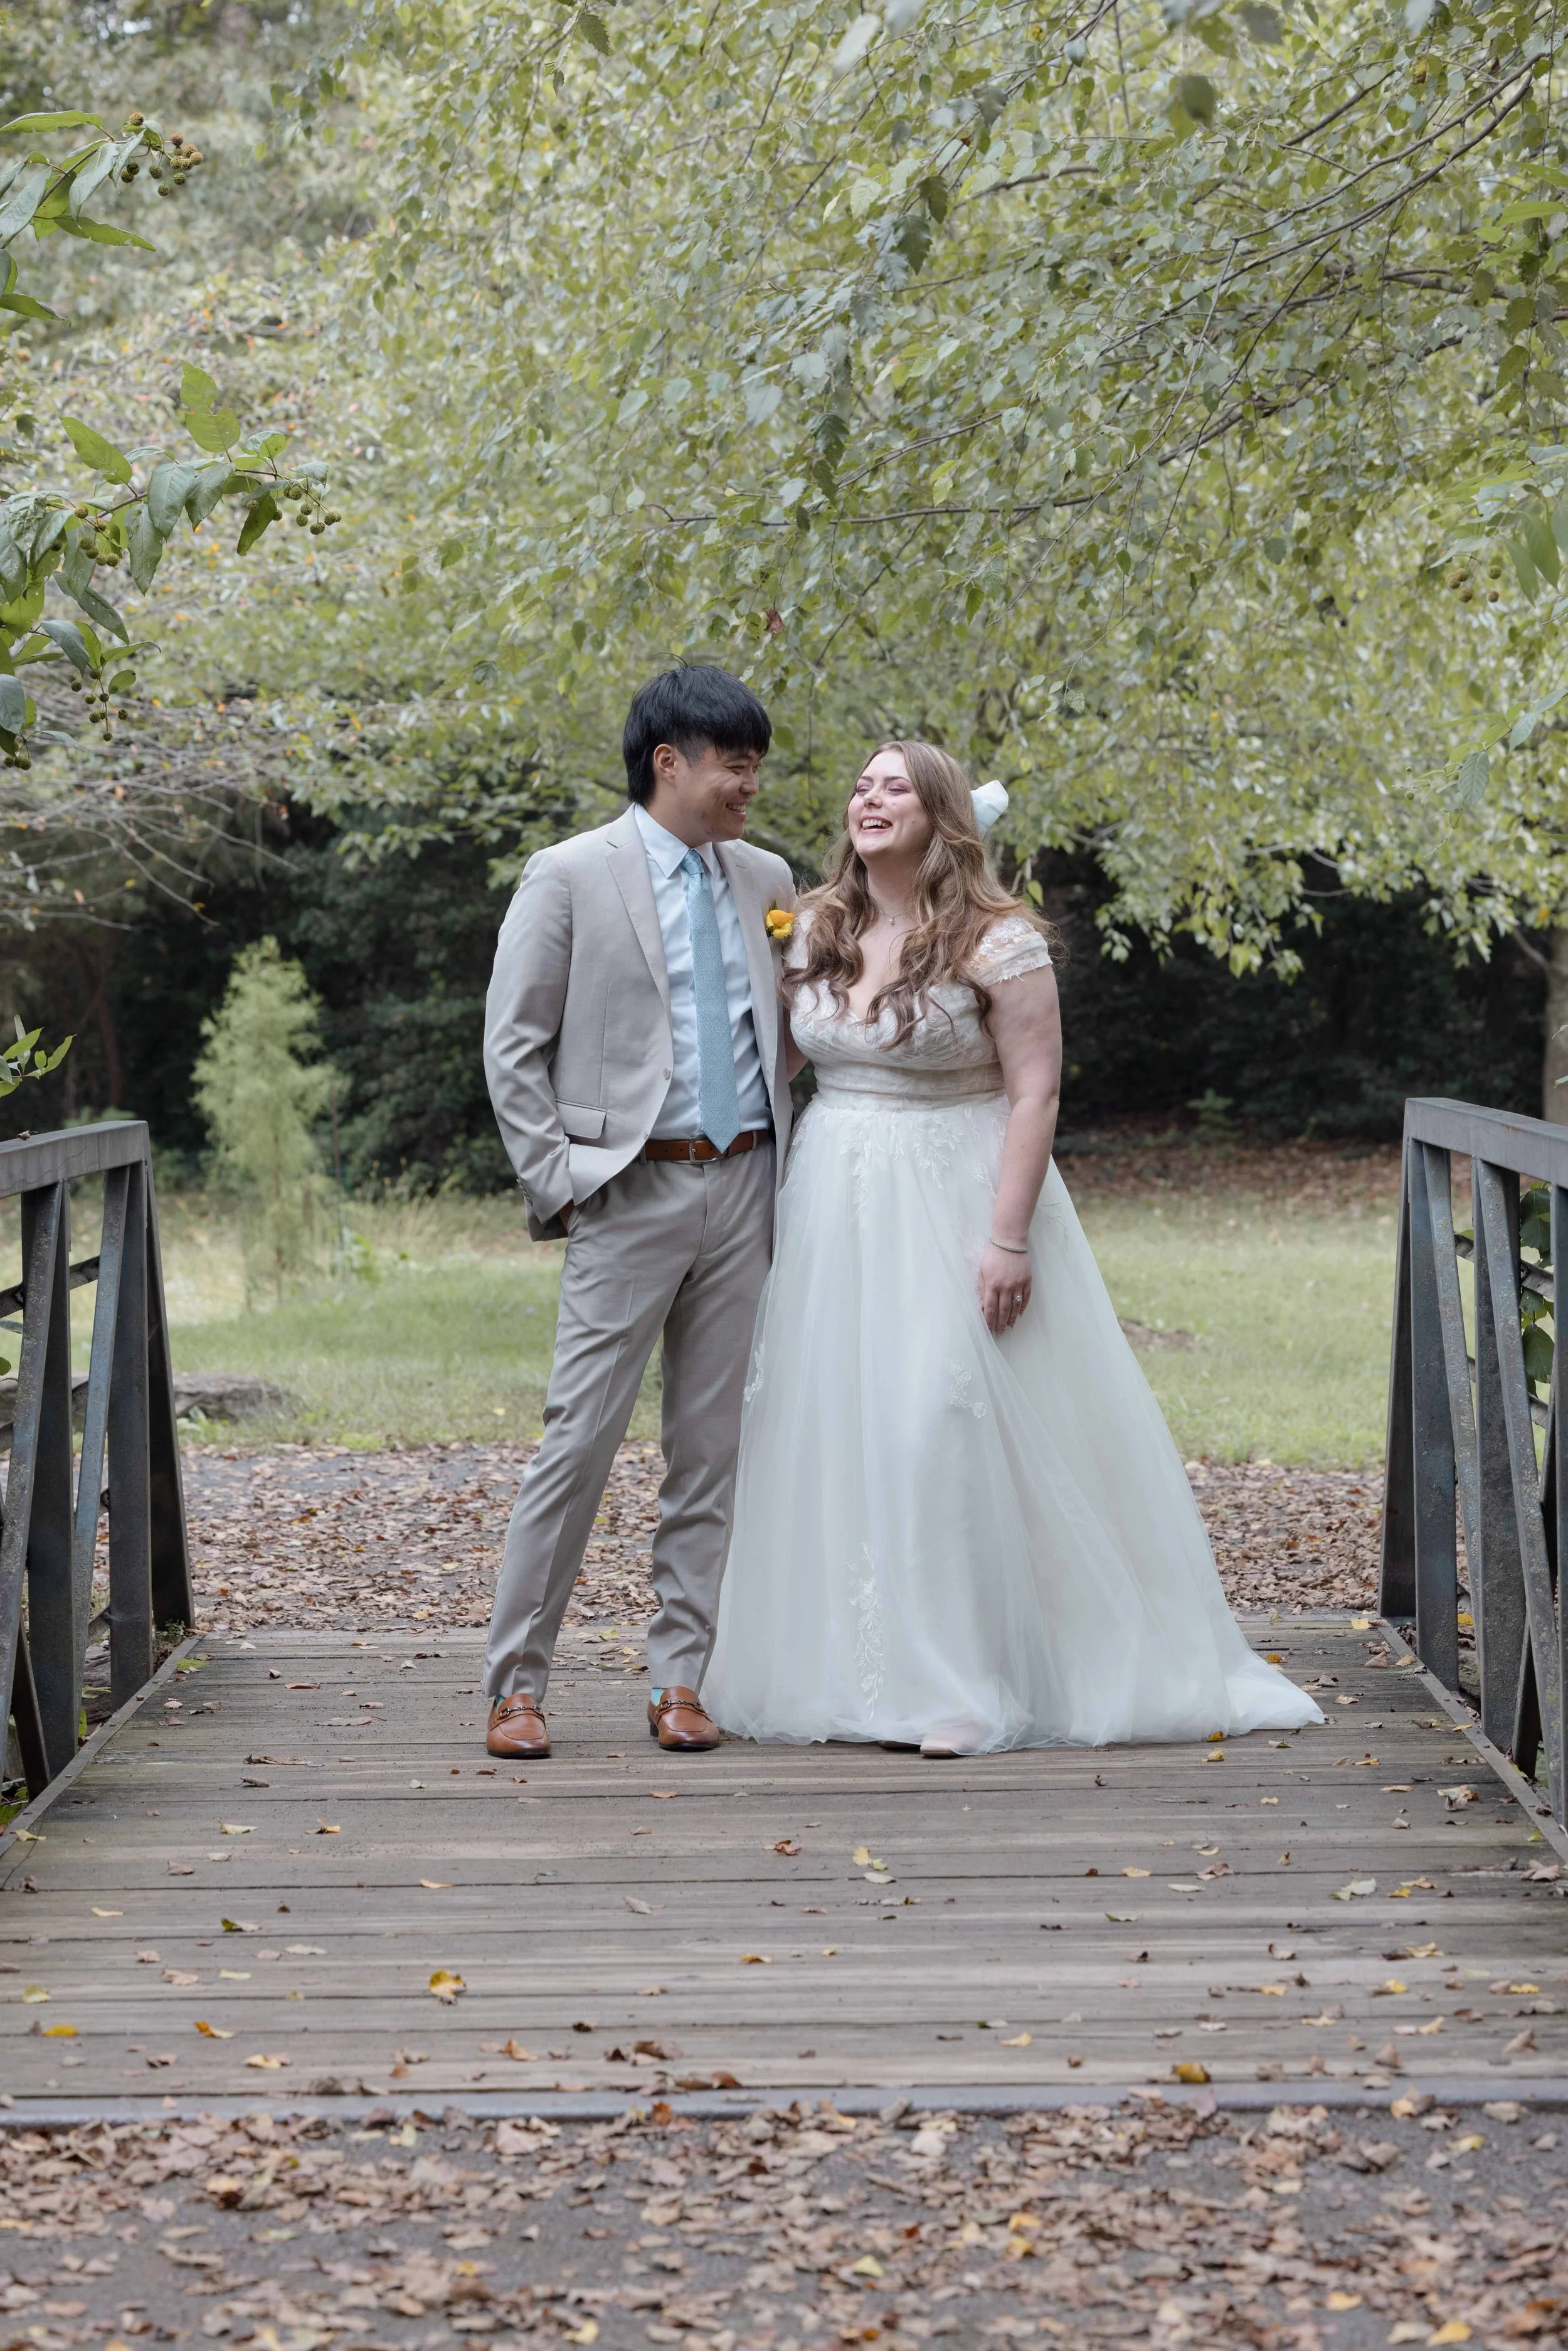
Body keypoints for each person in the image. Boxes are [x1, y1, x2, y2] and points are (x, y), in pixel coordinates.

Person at [702, 741, 1323, 1755]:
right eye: (861, 784)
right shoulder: (814, 926)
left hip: (956, 1190)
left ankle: (964, 1679)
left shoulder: (999, 940)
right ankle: (853, 1670)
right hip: (833, 1195)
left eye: (895, 786)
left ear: (942, 814)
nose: (870, 798)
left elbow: (1035, 1090)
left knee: (934, 1429)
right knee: (837, 1426)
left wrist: (1007, 1236)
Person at [480, 664, 797, 1759]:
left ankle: (681, 1681)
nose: (750, 785)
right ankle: (516, 1686)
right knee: (578, 1444)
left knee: (711, 1450)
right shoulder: (569, 875)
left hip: (748, 1185)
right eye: (736, 765)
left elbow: (789, 1018)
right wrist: (562, 1176)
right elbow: (513, 1044)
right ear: (671, 762)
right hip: (631, 1188)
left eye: (756, 765)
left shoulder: (767, 874)